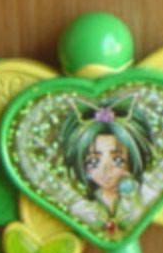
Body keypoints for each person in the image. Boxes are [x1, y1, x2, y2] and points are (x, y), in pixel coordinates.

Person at [59, 98, 156, 237]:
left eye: (118, 160)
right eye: (94, 161)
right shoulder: (82, 206)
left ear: (132, 159)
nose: (106, 170)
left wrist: (129, 195)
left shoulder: (143, 196)